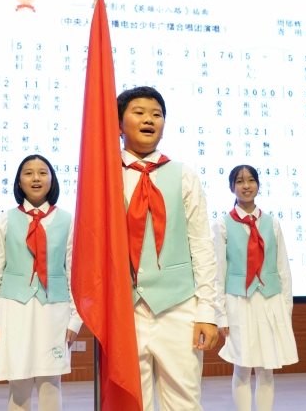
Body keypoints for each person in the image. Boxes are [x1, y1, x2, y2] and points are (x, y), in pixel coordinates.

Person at [118, 86, 219, 410]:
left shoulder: (183, 175)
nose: (149, 119)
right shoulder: (105, 177)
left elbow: (202, 246)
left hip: (179, 307)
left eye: (157, 114)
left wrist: (207, 312)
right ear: (119, 124)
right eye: (139, 113)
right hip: (124, 309)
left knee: (184, 402)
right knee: (131, 401)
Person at [0, 154, 83, 410]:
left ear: (52, 180)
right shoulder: (5, 220)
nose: (36, 178)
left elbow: (75, 272)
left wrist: (75, 319)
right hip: (15, 309)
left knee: (50, 383)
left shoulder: (68, 220)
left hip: (54, 309)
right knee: (19, 382)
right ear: (19, 182)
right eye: (28, 173)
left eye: (42, 172)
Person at [212, 164, 298, 411]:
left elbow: (283, 269)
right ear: (232, 187)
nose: (246, 186)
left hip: (270, 300)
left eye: (251, 180)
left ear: (258, 184)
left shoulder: (272, 223)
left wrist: (286, 308)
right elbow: (218, 272)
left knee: (266, 368)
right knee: (242, 366)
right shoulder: (222, 224)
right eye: (240, 181)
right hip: (239, 301)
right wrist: (220, 315)